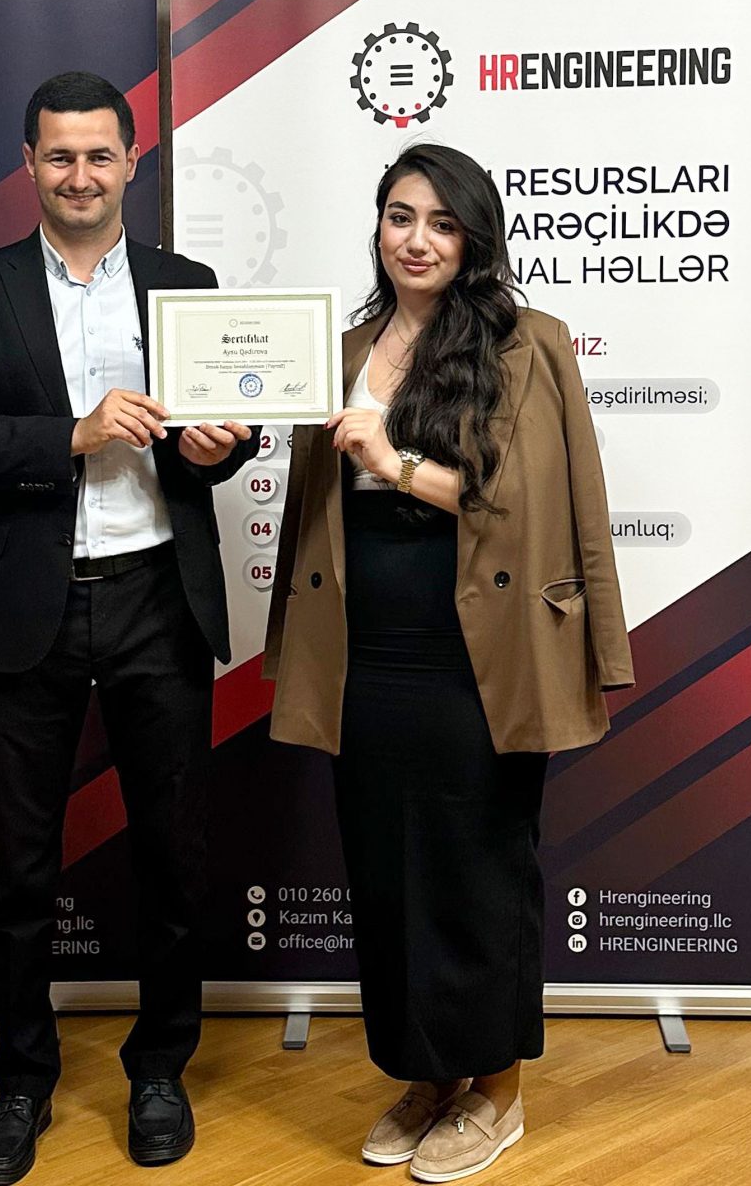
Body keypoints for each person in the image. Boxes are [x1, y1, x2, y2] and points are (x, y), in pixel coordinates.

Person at [263, 142, 633, 1182]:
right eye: (399, 216)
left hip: (482, 647)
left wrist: (392, 461)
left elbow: (524, 502)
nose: (416, 240)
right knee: (385, 871)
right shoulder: (341, 348)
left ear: (473, 238)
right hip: (366, 647)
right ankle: (429, 1078)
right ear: (377, 228)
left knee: (479, 871)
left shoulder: (527, 344)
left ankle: (497, 1091)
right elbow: (309, 510)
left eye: (440, 222)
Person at [0, 70, 256, 1185]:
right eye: (59, 156)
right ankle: (22, 1082)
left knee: (173, 853)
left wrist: (220, 446)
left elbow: (229, 429)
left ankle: (159, 1070)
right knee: (18, 865)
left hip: (160, 594)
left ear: (131, 162)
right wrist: (71, 432)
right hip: (30, 605)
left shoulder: (185, 284)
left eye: (99, 155)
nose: (80, 175)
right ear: (28, 164)